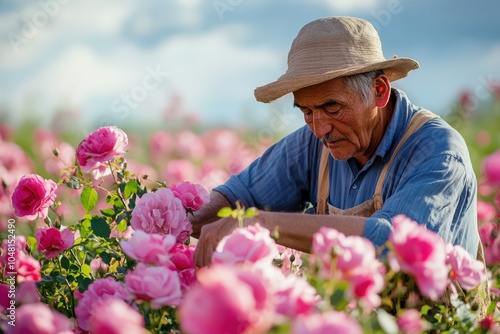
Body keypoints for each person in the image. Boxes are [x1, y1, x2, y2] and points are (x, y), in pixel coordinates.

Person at [191, 16, 480, 268]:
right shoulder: (314, 144)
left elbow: (392, 242)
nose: (319, 129)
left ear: (379, 91)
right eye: (306, 111)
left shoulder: (438, 152)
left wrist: (261, 222)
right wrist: (178, 223)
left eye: (332, 108)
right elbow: (241, 196)